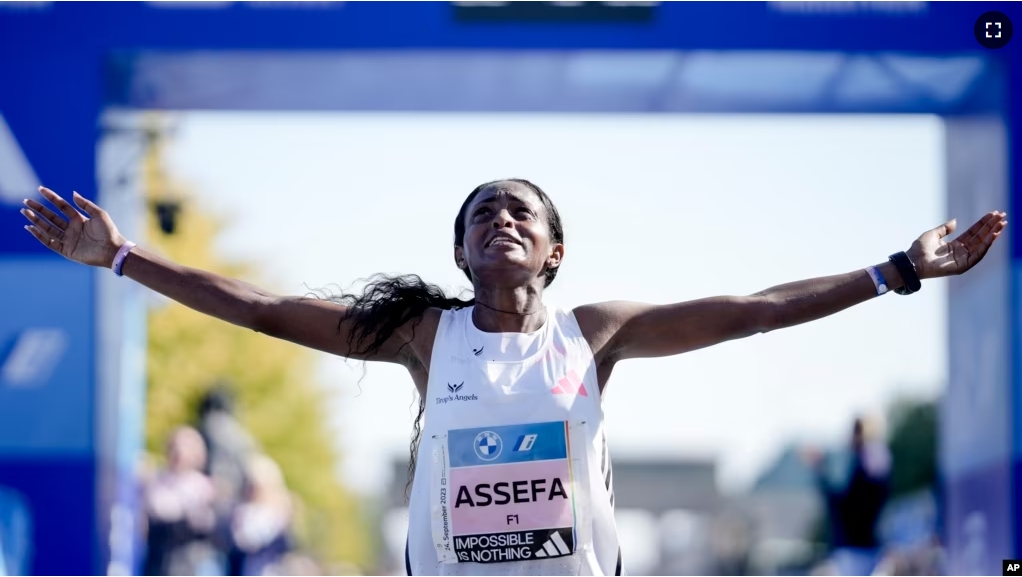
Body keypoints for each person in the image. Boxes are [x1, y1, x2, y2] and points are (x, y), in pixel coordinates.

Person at [20, 182, 1006, 576]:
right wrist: (121, 258)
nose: (500, 218)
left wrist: (898, 270)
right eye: (480, 213)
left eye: (520, 212)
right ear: (457, 252)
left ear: (553, 252)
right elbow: (264, 309)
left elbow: (752, 308)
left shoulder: (595, 333)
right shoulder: (421, 336)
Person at [803, 417, 892, 576]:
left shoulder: (864, 467)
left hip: (853, 548)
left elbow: (844, 506)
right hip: (867, 546)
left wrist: (820, 470)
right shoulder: (876, 466)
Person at [141, 426, 220, 576]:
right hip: (157, 560)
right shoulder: (157, 481)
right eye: (174, 448)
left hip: (187, 563)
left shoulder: (203, 487)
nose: (178, 454)